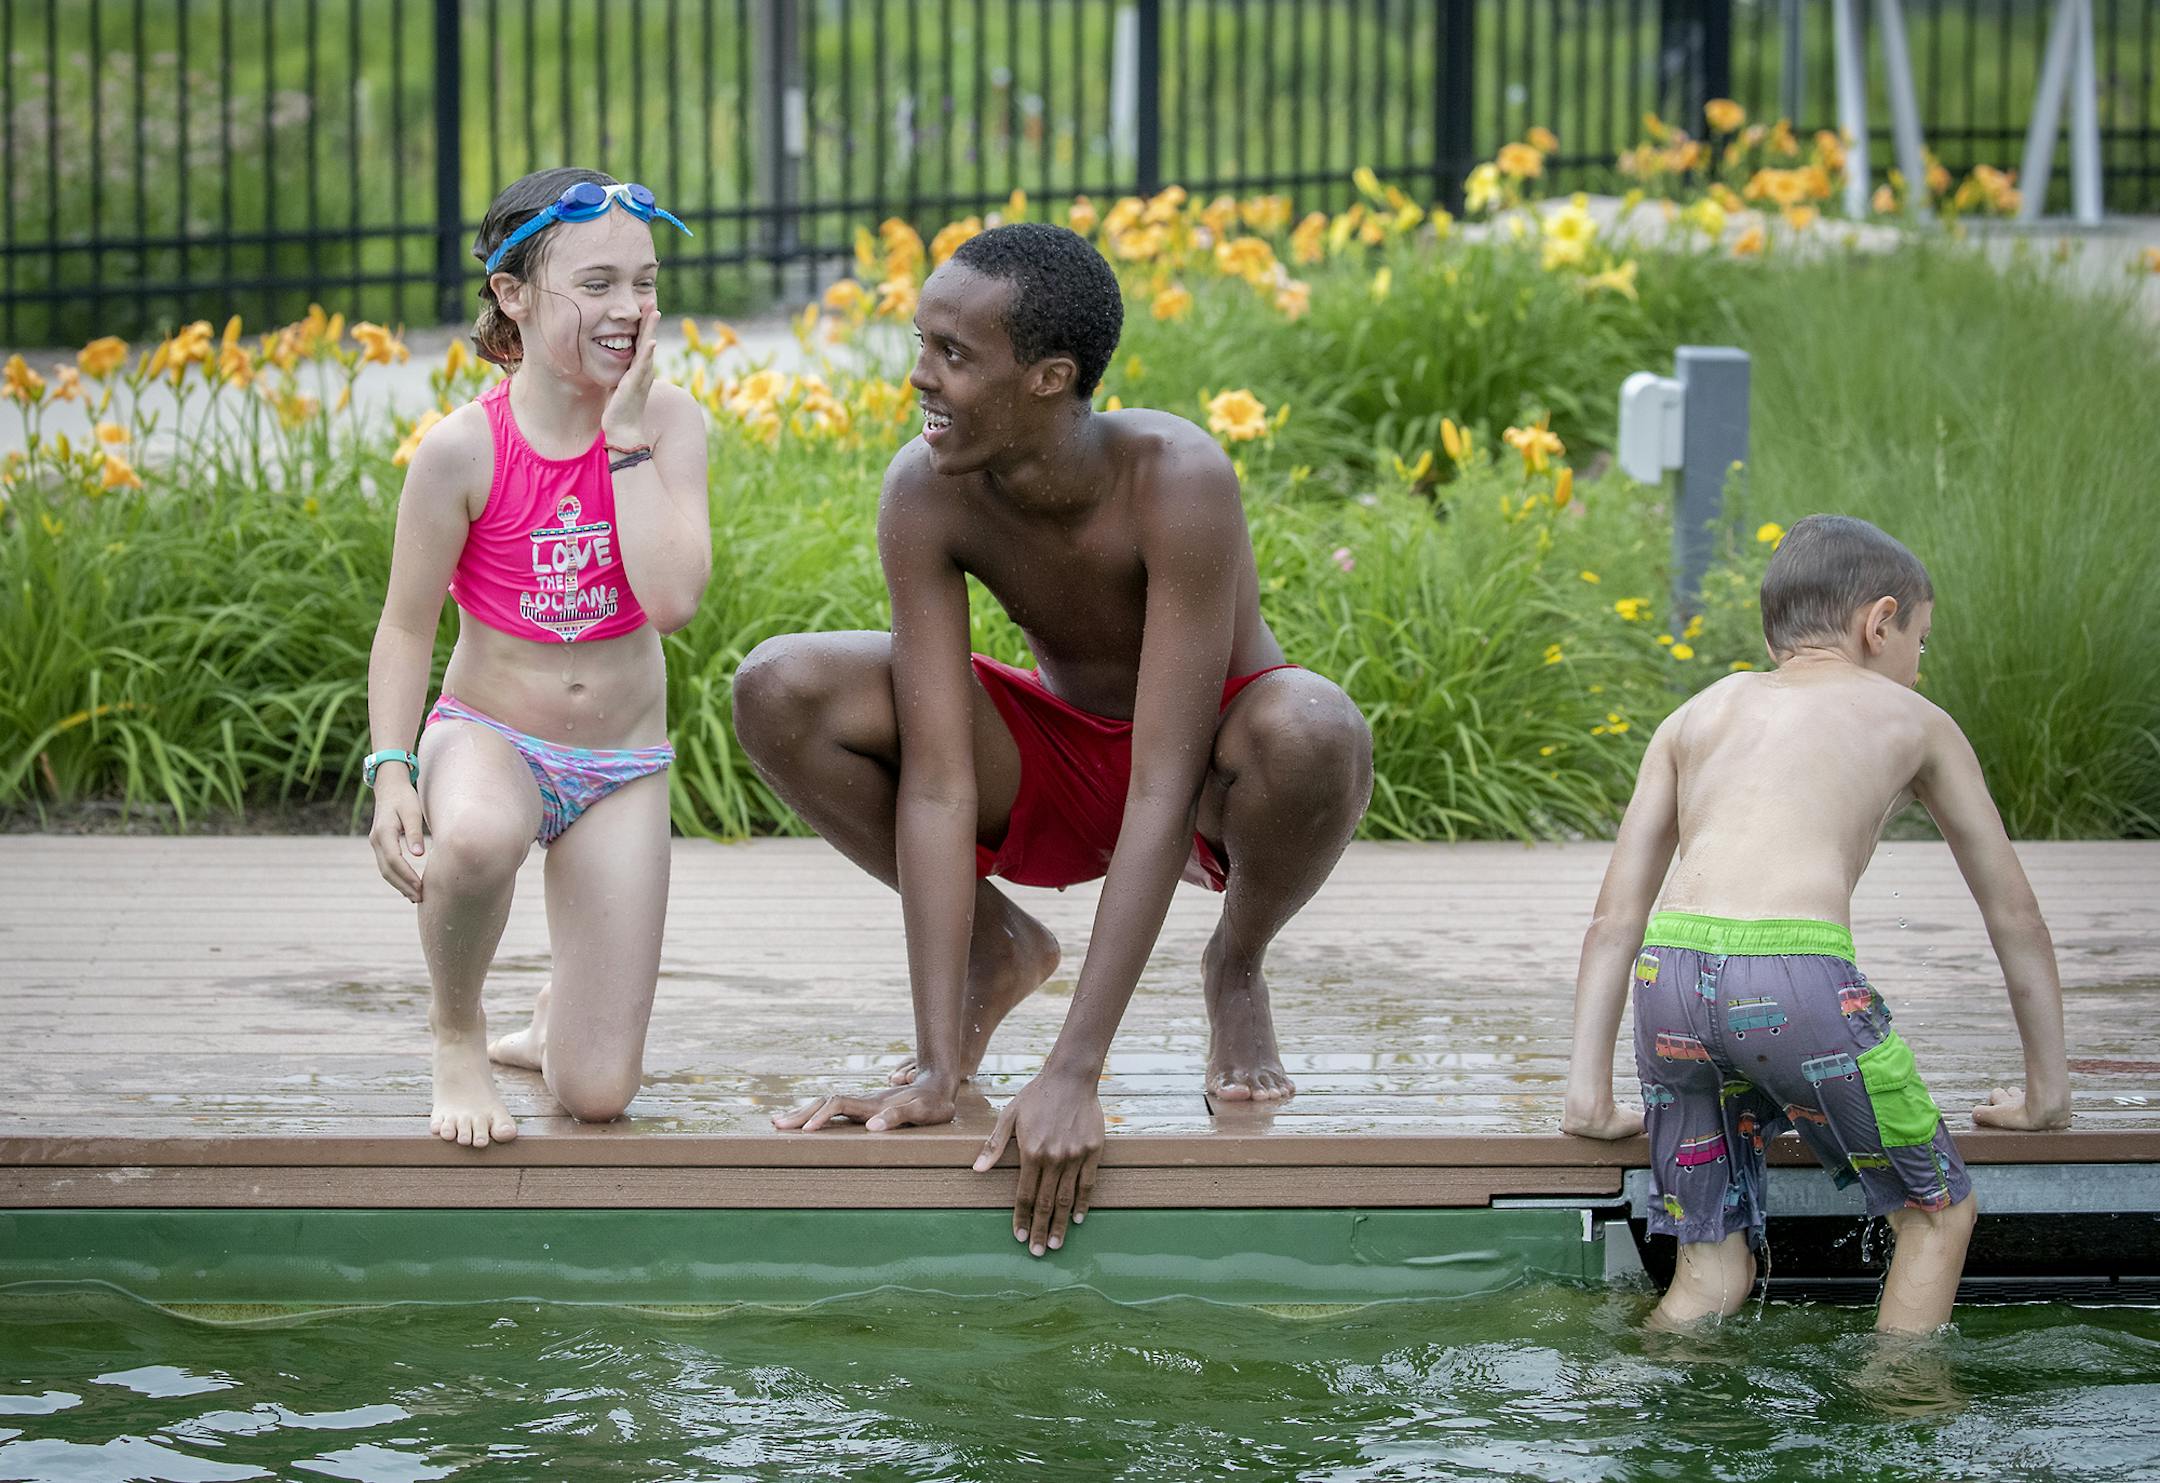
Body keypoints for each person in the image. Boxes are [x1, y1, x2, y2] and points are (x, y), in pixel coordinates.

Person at [732, 223, 1373, 1254]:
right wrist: (941, 1068)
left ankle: (1237, 965)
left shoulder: (1178, 479)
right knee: (780, 686)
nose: (919, 377)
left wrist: (1076, 1067)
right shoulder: (927, 487)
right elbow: (939, 784)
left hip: (1208, 766)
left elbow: (1164, 784)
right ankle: (998, 947)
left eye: (953, 354)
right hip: (1059, 767)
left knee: (1314, 725)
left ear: (1049, 377)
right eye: (920, 342)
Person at [1560, 514, 2070, 1333]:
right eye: (1922, 640)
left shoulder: (1696, 714)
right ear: (1880, 622)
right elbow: (2015, 914)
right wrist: (2046, 1092)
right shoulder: (1914, 719)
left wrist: (1589, 1093)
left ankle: (1651, 1395)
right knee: (1937, 1217)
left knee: (1712, 1266)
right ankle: (1897, 1417)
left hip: (1671, 983)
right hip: (1795, 984)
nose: (1919, 662)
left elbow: (1615, 916)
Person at [364, 167, 711, 1148]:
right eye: (596, 283)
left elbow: (673, 601)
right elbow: (404, 625)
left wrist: (626, 436)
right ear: (512, 295)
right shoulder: (463, 450)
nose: (629, 308)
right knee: (473, 839)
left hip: (621, 766)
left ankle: (563, 1010)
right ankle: (458, 1031)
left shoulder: (670, 421)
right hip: (492, 739)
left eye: (642, 282)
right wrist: (391, 768)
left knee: (597, 1094)